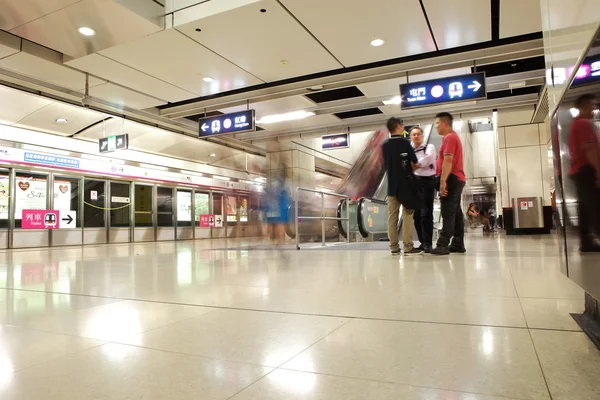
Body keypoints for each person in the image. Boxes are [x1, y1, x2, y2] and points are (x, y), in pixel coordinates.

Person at [382, 117, 422, 256]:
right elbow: (415, 162)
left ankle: (393, 247)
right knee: (408, 216)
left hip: (392, 187)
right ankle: (408, 246)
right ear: (398, 126)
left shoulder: (385, 145)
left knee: (392, 218)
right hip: (406, 186)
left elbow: (386, 165)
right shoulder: (405, 143)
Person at [431, 112, 467, 256]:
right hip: (456, 178)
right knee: (456, 212)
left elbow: (448, 160)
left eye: (437, 123)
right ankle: (458, 243)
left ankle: (443, 244)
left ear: (445, 123)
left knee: (448, 212)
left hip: (451, 178)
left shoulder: (450, 137)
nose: (436, 127)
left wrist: (443, 181)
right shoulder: (452, 137)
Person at [568, 94, 600, 252]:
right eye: (591, 105)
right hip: (586, 168)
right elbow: (590, 149)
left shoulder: (576, 124)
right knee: (594, 205)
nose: (594, 108)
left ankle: (586, 242)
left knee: (586, 207)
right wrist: (598, 170)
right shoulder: (583, 124)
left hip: (578, 170)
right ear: (582, 106)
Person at [410, 126, 437, 253]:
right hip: (415, 183)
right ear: (411, 137)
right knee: (416, 215)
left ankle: (428, 243)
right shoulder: (409, 150)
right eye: (414, 134)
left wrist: (415, 165)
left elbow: (428, 159)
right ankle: (422, 242)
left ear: (422, 135)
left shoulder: (429, 147)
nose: (416, 136)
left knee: (426, 213)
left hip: (427, 182)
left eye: (418, 134)